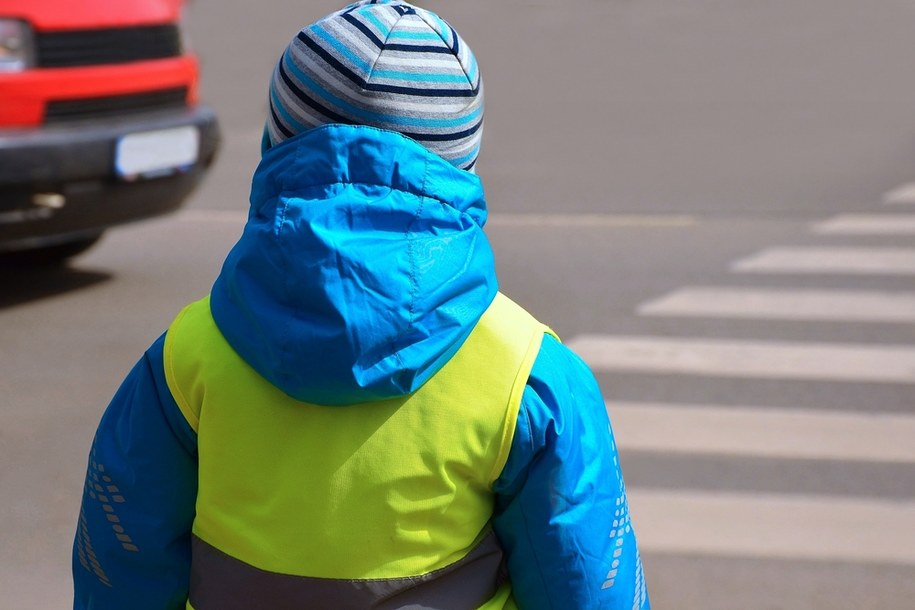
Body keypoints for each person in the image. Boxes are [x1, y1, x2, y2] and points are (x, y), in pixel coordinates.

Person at [72, 2, 649, 608]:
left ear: (278, 148)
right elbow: (588, 586)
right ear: (458, 165)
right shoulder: (527, 378)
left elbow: (119, 568)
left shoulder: (187, 360)